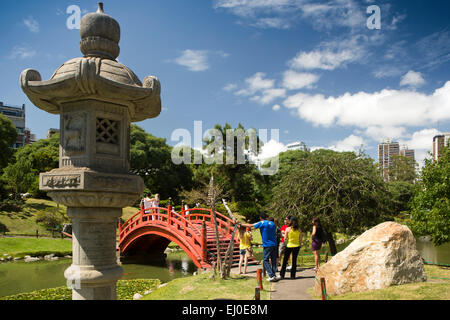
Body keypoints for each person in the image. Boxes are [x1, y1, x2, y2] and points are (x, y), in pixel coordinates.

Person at [241, 213, 279, 282]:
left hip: (267, 244)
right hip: (274, 244)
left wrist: (241, 224)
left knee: (265, 260)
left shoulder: (262, 223)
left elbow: (251, 225)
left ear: (260, 217)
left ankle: (271, 275)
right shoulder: (272, 223)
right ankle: (274, 274)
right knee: (273, 260)